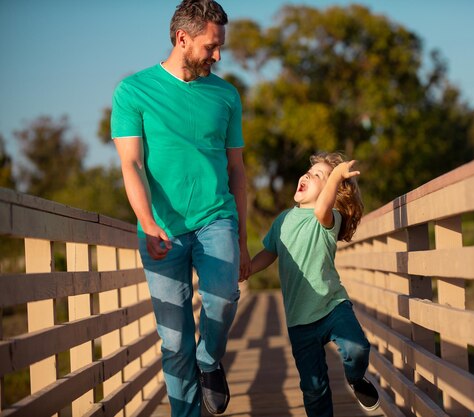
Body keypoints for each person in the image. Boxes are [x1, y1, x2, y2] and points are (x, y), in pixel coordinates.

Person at [110, 1, 249, 415]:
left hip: (216, 217)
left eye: (221, 46)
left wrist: (242, 241)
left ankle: (210, 360)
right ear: (182, 38)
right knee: (173, 341)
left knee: (223, 298)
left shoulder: (226, 94)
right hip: (162, 229)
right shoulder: (133, 91)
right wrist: (147, 222)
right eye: (211, 46)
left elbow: (237, 169)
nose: (218, 56)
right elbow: (131, 163)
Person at [242, 152, 380, 416]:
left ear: (333, 192)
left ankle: (356, 377)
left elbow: (320, 209)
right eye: (309, 171)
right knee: (313, 388)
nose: (307, 175)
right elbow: (270, 252)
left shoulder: (330, 218)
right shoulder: (282, 220)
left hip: (332, 306)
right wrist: (248, 270)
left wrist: (338, 175)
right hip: (299, 320)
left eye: (319, 175)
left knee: (357, 347)